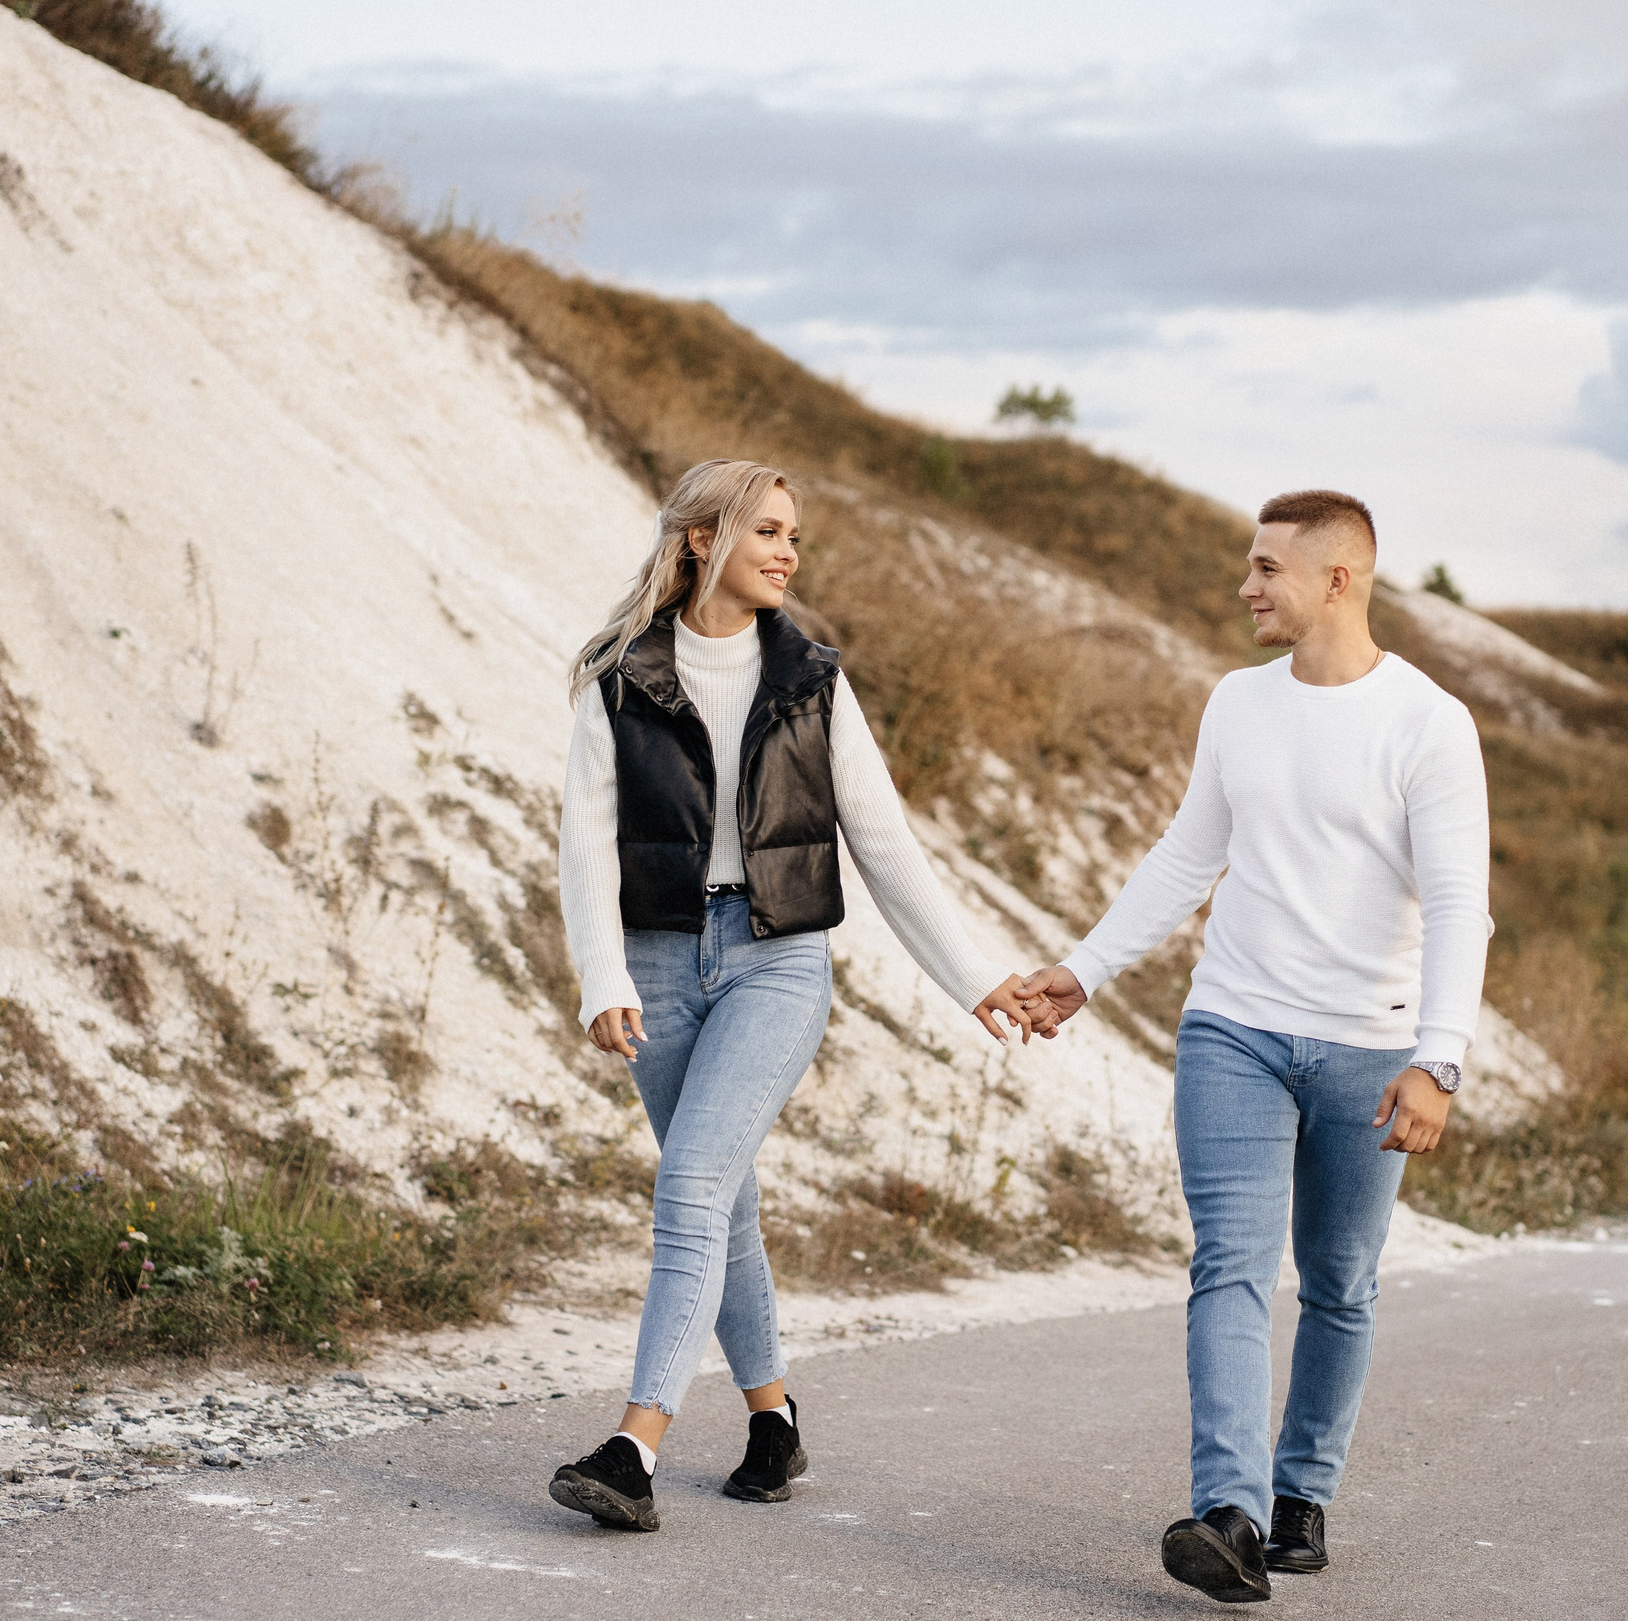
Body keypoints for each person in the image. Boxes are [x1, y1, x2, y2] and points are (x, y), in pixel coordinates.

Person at [1016, 488, 1489, 1603]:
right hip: (1233, 1028)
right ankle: (1227, 1511)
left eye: (1267, 566)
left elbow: (1460, 904)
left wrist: (1440, 1058)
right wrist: (1083, 970)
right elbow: (1188, 857)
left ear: (1338, 578)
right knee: (1228, 1264)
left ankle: (1300, 1492)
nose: (1245, 586)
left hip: (1371, 1053)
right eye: (1248, 562)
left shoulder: (1428, 722)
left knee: (1337, 1281)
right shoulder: (1236, 702)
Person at [550, 459, 1039, 1533]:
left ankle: (634, 1446)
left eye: (793, 536)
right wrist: (602, 975)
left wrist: (973, 979)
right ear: (698, 541)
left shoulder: (812, 676)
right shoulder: (618, 671)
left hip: (778, 960)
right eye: (766, 530)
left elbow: (884, 843)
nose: (786, 551)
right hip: (663, 961)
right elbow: (583, 840)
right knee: (720, 1200)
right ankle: (773, 1421)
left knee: (686, 1189)